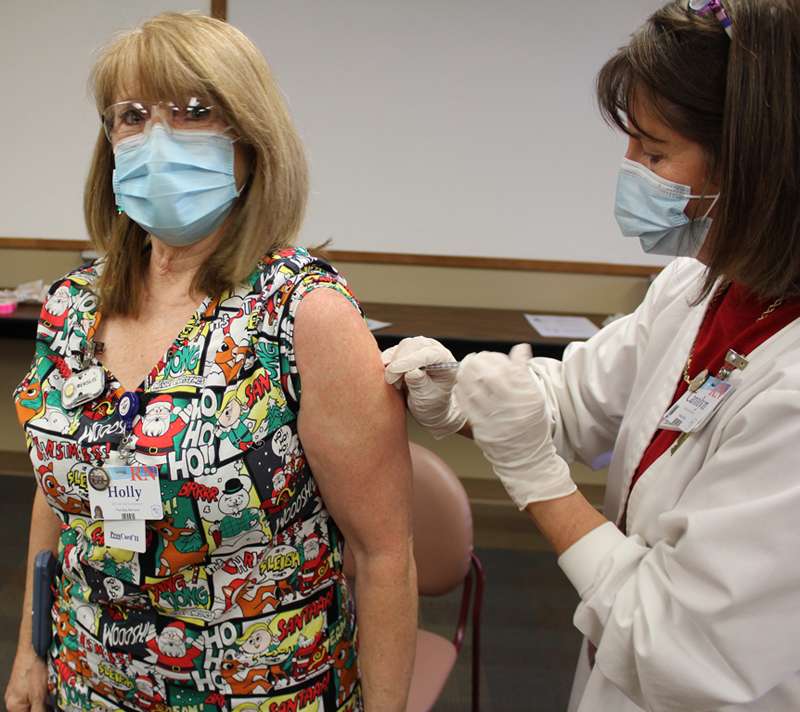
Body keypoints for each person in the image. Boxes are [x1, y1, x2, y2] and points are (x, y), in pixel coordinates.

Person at [383, 1, 800, 709]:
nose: (631, 169)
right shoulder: (701, 289)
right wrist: (464, 400)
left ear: (760, 167)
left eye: (656, 151)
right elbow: (580, 398)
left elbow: (678, 647)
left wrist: (541, 483)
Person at [7, 13, 416, 712]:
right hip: (91, 680)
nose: (157, 139)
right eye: (130, 116)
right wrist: (30, 652)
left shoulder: (303, 314)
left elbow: (383, 557)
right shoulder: (73, 305)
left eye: (194, 112)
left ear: (252, 144)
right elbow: (58, 492)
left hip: (262, 692)